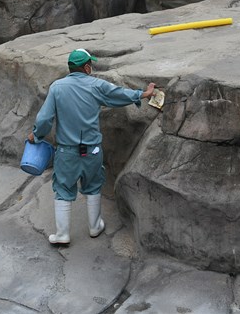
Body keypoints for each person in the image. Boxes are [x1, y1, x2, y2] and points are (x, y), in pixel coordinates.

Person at [28, 48, 156, 245]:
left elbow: (44, 119)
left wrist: (36, 136)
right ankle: (95, 226)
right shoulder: (96, 85)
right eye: (91, 65)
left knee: (63, 188)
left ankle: (62, 234)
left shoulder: (57, 87)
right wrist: (144, 94)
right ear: (87, 67)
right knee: (93, 186)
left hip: (66, 151)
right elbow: (120, 94)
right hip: (92, 150)